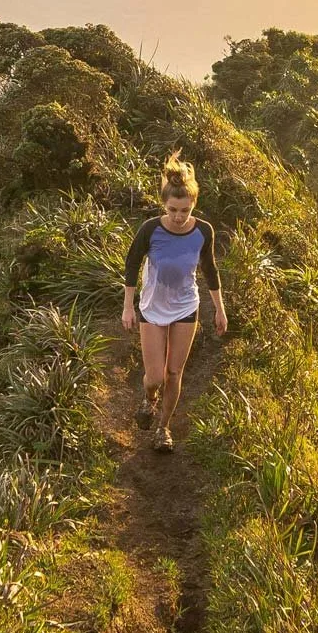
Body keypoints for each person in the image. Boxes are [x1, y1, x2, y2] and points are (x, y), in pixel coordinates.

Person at [122, 152, 227, 451]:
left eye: (185, 210)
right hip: (153, 307)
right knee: (154, 376)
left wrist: (220, 310)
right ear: (163, 204)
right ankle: (149, 398)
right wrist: (128, 306)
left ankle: (163, 428)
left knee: (173, 373)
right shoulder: (150, 229)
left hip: (185, 307)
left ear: (193, 205)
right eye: (173, 210)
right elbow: (131, 265)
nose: (179, 217)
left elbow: (210, 270)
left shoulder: (203, 231)